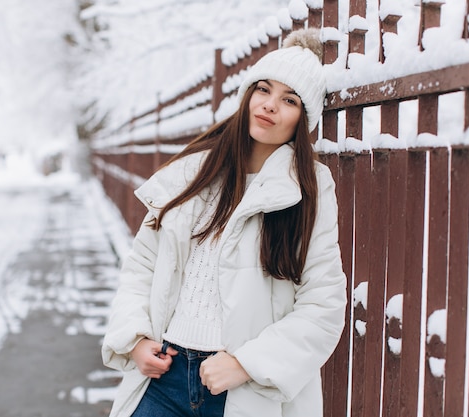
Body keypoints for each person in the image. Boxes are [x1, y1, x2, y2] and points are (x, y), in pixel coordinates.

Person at [101, 28, 347, 417]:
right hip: (163, 379)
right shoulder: (194, 172)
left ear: (304, 119)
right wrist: (134, 339)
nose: (269, 105)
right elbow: (142, 266)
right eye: (263, 89)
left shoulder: (309, 190)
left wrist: (246, 364)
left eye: (289, 100)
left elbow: (324, 305)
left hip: (241, 391)